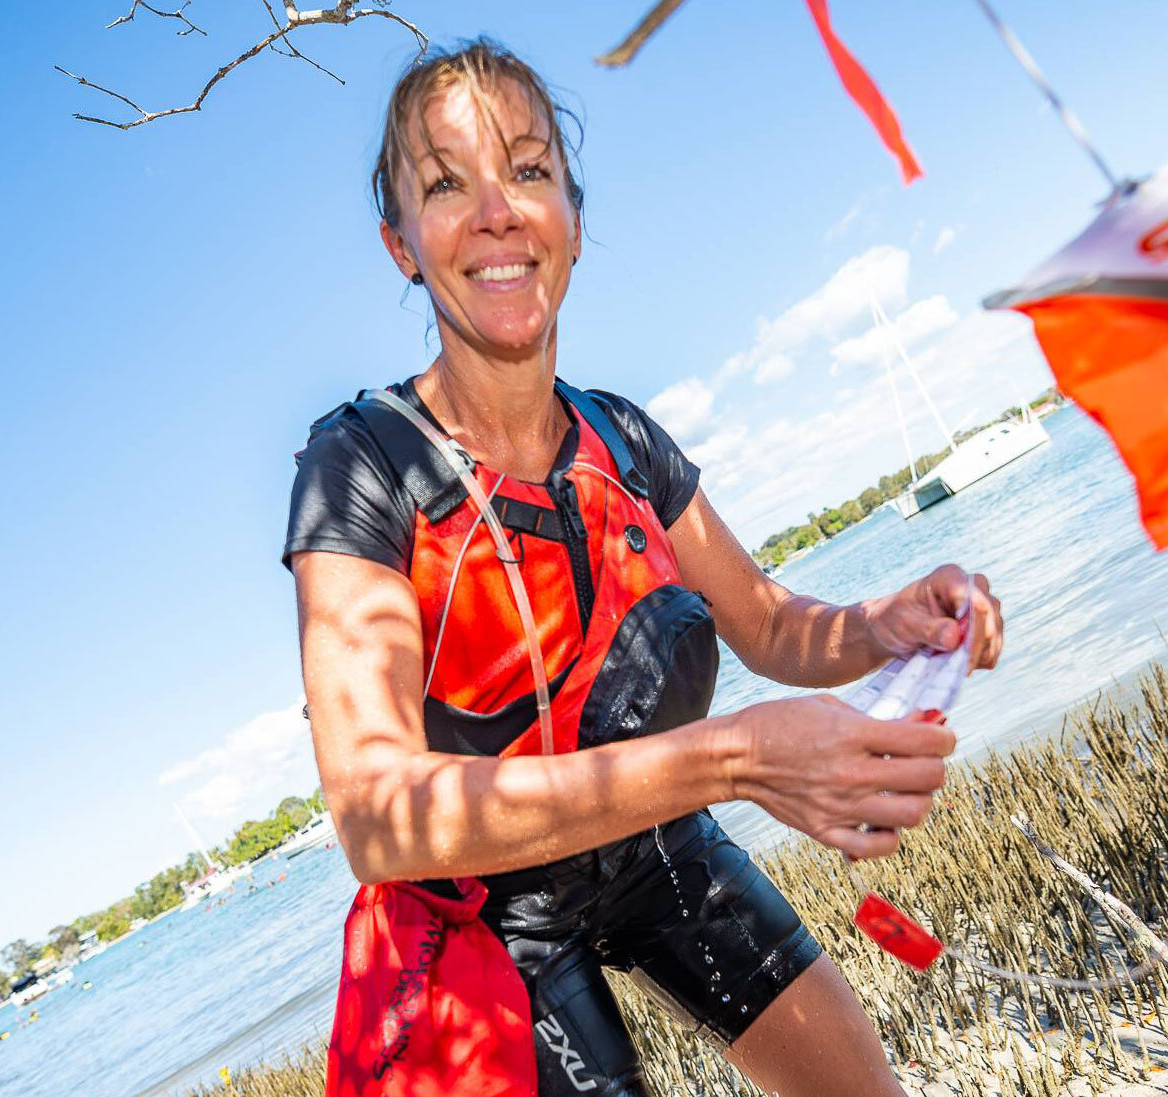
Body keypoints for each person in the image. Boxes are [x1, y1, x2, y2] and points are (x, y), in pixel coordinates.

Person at [285, 38, 1004, 1097]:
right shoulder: (363, 464)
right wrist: (731, 758)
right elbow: (377, 815)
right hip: (492, 921)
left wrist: (887, 621)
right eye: (446, 184)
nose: (497, 210)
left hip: (660, 849)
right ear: (400, 242)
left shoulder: (621, 441)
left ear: (571, 216)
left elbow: (767, 622)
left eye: (528, 170)